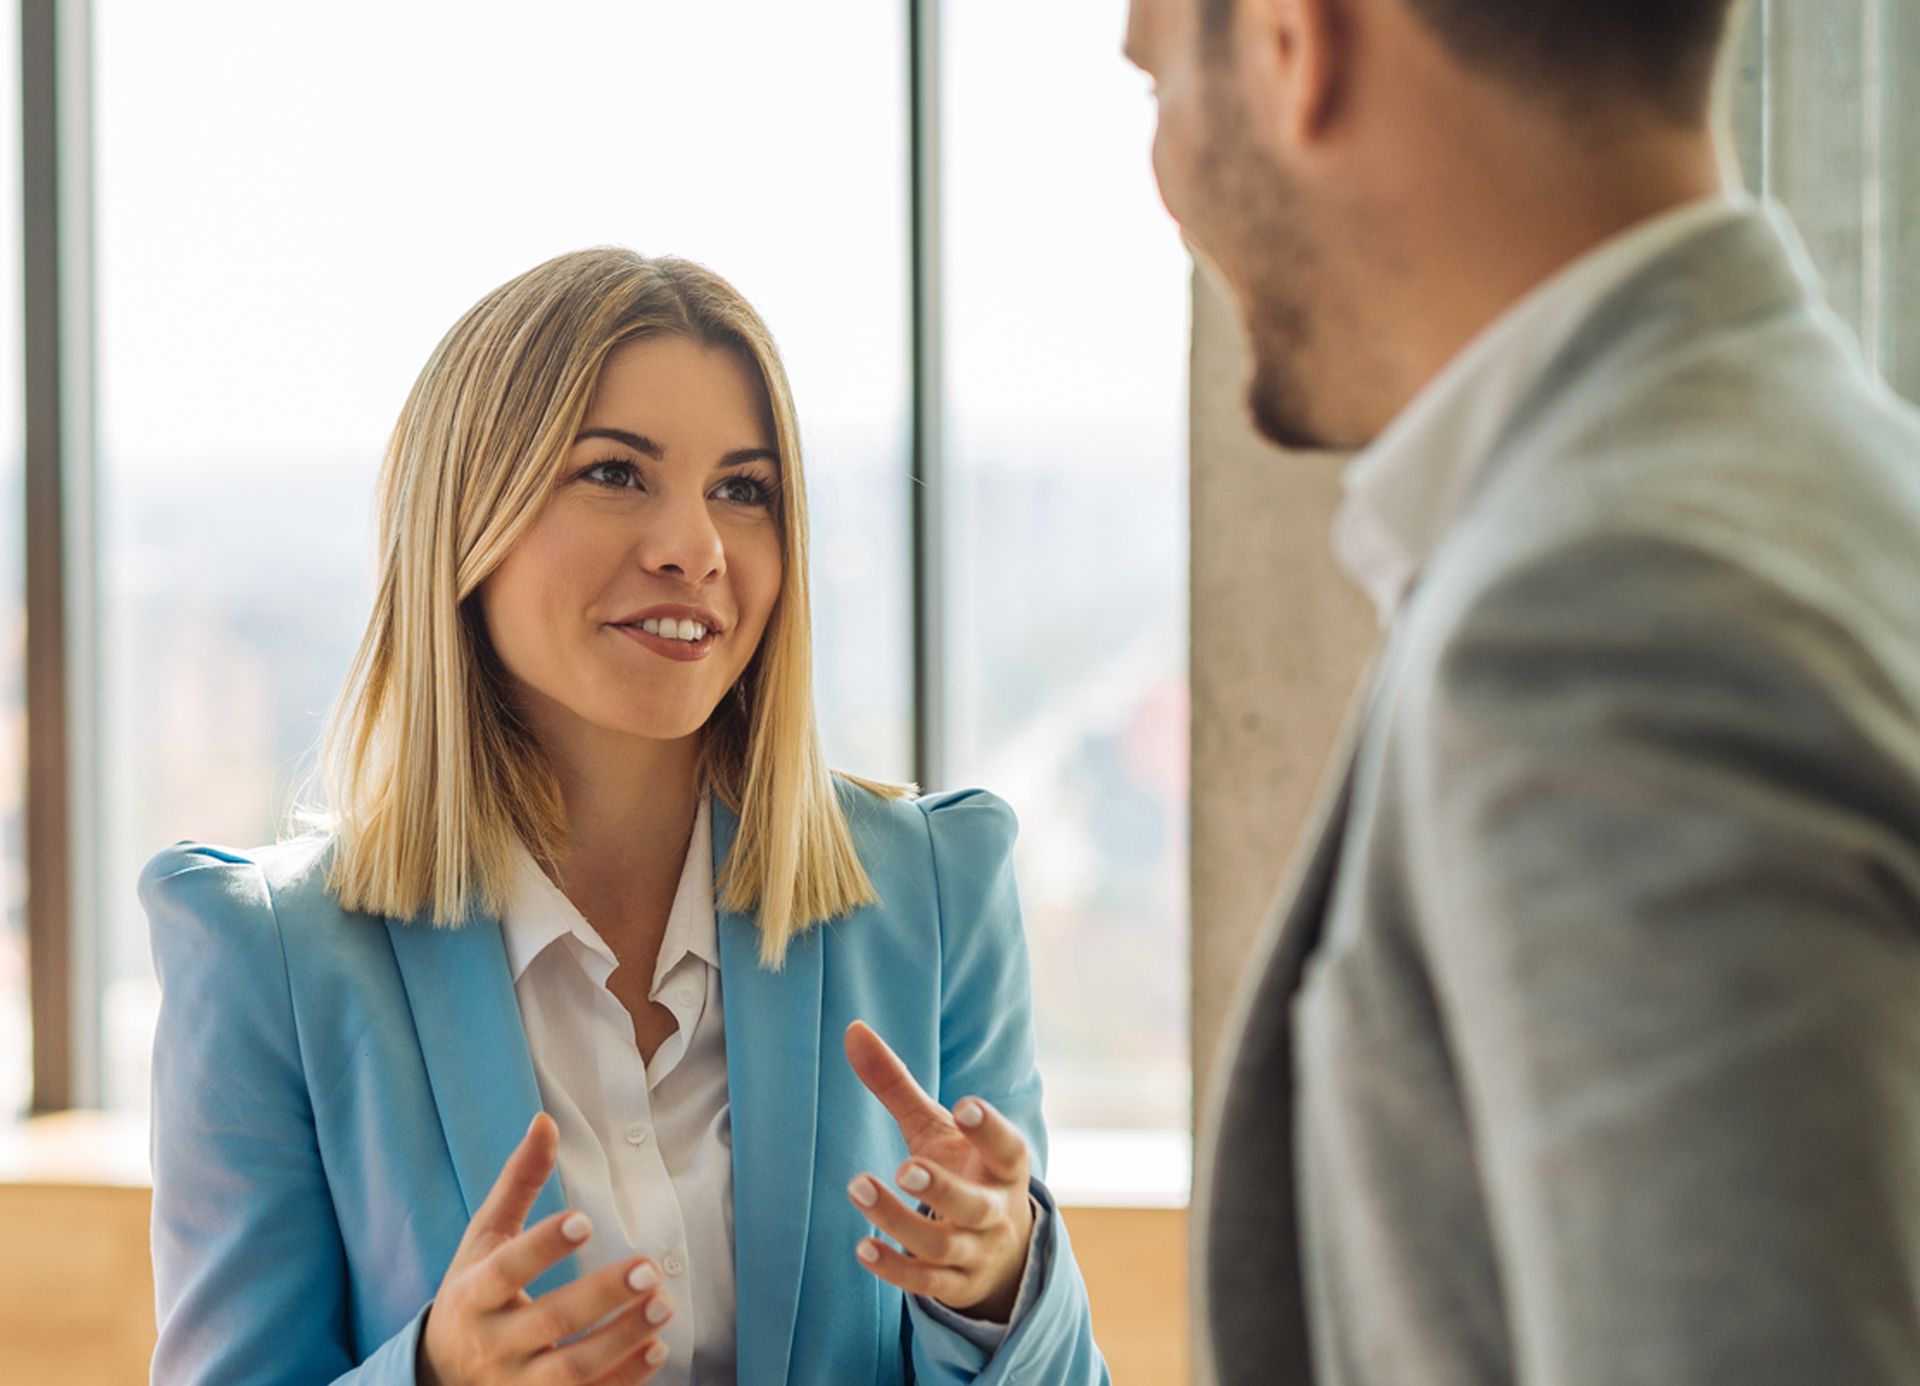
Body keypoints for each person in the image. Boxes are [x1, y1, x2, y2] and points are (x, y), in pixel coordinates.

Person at [141, 249, 1111, 1386]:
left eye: (744, 490)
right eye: (615, 473)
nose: (694, 548)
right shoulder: (271, 956)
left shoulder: (937, 891)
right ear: (468, 517)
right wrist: (432, 1377)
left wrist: (1002, 1285)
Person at [1126, 0, 1920, 1382]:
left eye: (1153, 84)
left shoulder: (1608, 620)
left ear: (1292, 49)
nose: (1165, 185)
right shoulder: (1838, 481)